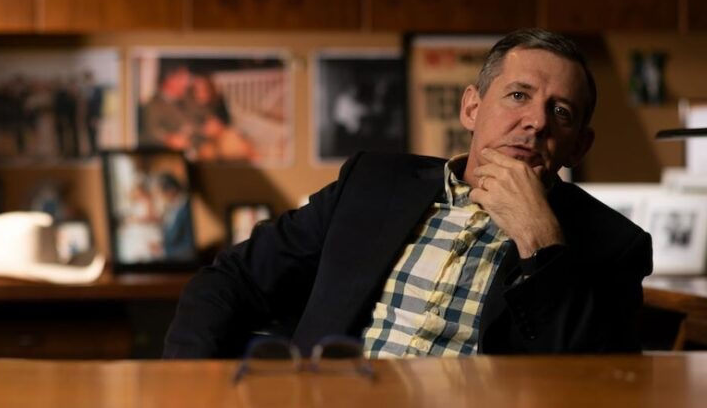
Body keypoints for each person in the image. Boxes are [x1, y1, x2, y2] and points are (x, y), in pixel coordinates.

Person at [163, 29, 653, 359]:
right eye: (518, 95)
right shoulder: (373, 184)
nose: (537, 121)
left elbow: (596, 386)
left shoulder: (613, 246)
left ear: (578, 145)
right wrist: (192, 388)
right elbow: (230, 280)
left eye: (561, 112)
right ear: (471, 108)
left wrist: (541, 243)